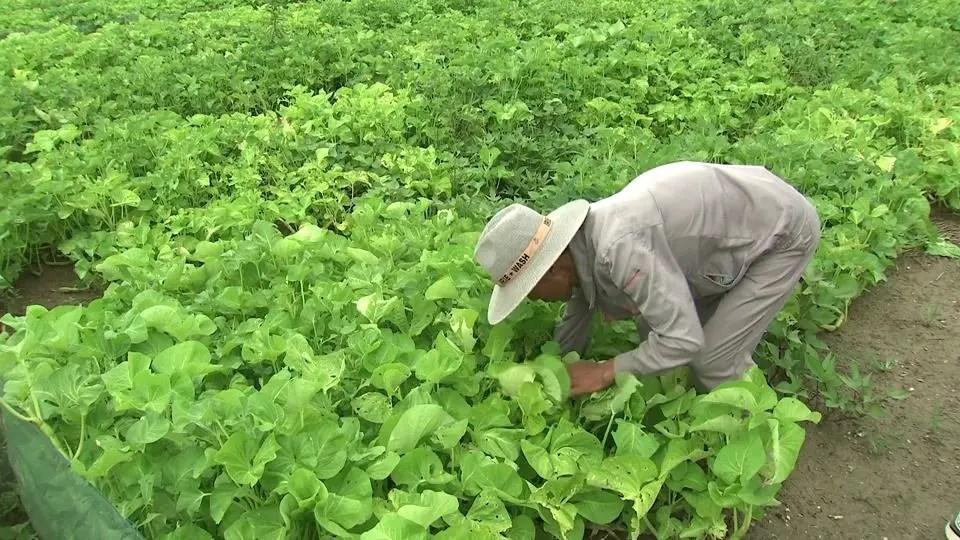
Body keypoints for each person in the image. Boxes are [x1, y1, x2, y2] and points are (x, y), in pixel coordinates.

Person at [473, 161, 821, 396]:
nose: (531, 299)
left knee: (711, 360)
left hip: (780, 234)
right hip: (728, 230)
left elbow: (683, 341)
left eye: (529, 289)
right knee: (656, 334)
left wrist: (604, 371)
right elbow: (578, 316)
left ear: (552, 269)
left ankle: (757, 438)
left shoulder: (619, 248)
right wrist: (553, 374)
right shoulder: (581, 249)